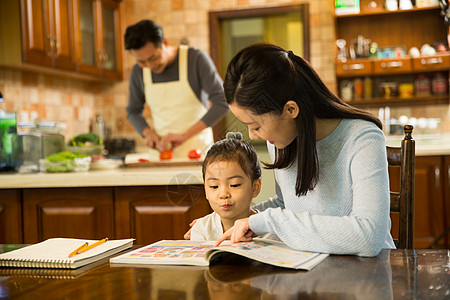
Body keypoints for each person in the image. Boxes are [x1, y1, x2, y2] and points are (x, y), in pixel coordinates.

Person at [211, 43, 395, 257]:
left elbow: (368, 236)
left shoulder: (362, 137)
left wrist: (266, 220)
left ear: (290, 110)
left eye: (256, 126)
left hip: (366, 276)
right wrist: (223, 221)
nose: (252, 135)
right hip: (310, 270)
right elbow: (285, 205)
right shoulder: (280, 143)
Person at [124, 20, 229, 158]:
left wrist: (184, 136)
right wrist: (148, 133)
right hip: (162, 154)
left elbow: (223, 101)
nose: (149, 66)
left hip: (198, 153)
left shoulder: (195, 59)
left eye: (153, 58)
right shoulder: (138, 72)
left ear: (165, 43)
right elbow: (133, 111)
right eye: (142, 62)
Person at [190, 132, 262, 240]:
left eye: (234, 185)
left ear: (255, 187)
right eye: (214, 186)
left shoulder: (268, 230)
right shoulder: (201, 229)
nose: (223, 194)